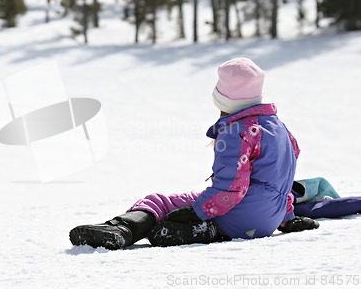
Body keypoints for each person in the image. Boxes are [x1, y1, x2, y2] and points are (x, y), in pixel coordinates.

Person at [69, 58, 319, 250]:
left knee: (162, 202)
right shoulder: (280, 129)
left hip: (239, 218)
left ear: (223, 99)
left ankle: (123, 229)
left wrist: (198, 211)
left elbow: (232, 188)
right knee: (192, 203)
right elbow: (283, 180)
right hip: (268, 222)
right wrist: (287, 218)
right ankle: (205, 229)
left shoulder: (238, 131)